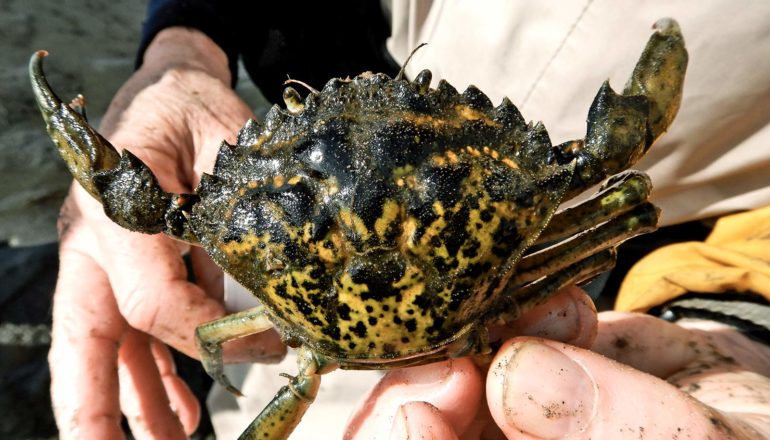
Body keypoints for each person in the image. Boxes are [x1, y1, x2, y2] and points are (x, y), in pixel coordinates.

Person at [46, 1, 770, 439]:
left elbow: (178, 249)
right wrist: (187, 41)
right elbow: (619, 195)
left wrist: (737, 310)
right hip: (546, 316)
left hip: (651, 329)